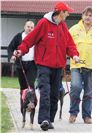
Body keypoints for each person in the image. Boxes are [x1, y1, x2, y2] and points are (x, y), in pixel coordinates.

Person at [13, 2, 79, 131]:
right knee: (45, 92)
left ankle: (49, 119)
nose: (68, 14)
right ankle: (43, 119)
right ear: (60, 12)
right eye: (67, 12)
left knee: (55, 94)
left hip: (58, 66)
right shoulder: (43, 23)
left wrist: (74, 55)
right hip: (43, 65)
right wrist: (21, 50)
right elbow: (30, 39)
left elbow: (70, 44)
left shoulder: (63, 26)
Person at [7, 21, 37, 115]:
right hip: (21, 64)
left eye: (32, 27)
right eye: (28, 27)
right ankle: (23, 107)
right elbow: (10, 47)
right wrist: (12, 55)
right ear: (24, 26)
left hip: (32, 64)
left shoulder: (36, 37)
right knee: (23, 87)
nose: (30, 29)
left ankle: (31, 105)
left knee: (31, 85)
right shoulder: (18, 36)